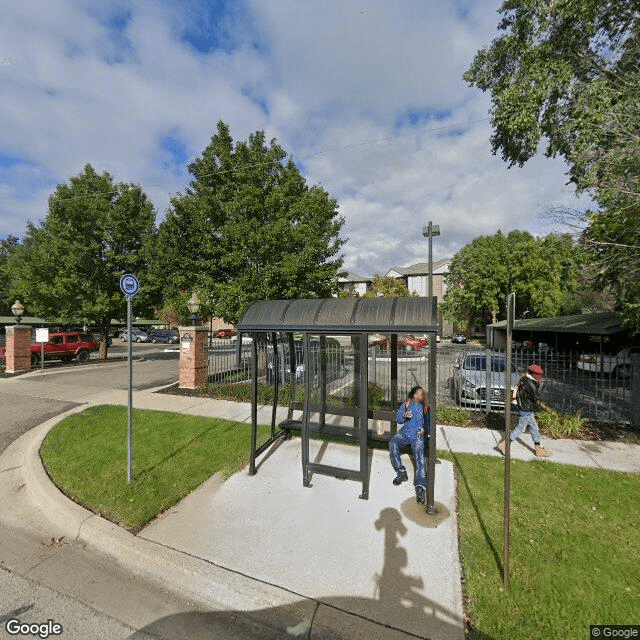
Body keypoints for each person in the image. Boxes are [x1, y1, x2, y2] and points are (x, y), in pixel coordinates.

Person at [498, 363, 551, 457]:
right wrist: (541, 387)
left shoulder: (527, 380)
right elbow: (535, 398)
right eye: (538, 374)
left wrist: (538, 385)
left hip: (526, 409)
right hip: (526, 409)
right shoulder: (529, 382)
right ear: (533, 374)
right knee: (520, 428)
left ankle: (538, 449)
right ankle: (504, 445)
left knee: (534, 428)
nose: (540, 376)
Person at [389, 385, 430, 504]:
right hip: (405, 433)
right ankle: (401, 472)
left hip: (418, 435)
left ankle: (420, 486)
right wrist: (404, 415)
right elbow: (398, 419)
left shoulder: (426, 407)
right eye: (419, 394)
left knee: (420, 458)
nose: (421, 396)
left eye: (422, 394)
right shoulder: (407, 404)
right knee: (393, 443)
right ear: (413, 395)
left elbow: (429, 424)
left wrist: (425, 430)